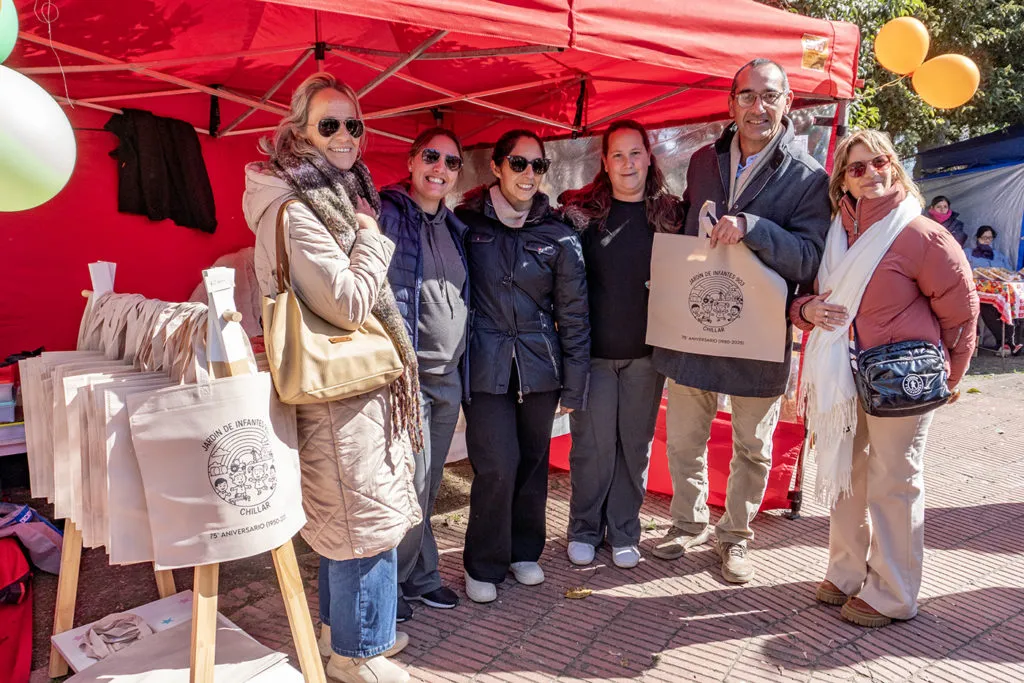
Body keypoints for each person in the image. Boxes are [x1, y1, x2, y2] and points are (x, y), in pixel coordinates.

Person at [244, 72, 421, 683]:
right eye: (330, 124)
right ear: (299, 132)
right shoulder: (297, 207)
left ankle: (338, 631)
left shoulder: (325, 194)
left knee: (346, 516)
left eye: (354, 124)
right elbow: (346, 302)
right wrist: (372, 238)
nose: (346, 135)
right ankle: (357, 654)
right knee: (361, 521)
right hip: (338, 388)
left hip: (345, 384)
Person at [650, 58, 831, 584]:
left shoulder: (808, 177)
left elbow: (809, 258)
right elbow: (692, 224)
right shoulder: (704, 161)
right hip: (696, 322)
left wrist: (753, 227)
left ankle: (735, 536)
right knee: (684, 438)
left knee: (752, 447)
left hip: (759, 334)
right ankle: (687, 523)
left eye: (770, 96)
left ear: (788, 102)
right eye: (747, 95)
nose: (758, 107)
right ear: (731, 104)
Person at [794, 129, 978, 627]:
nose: (873, 173)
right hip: (843, 375)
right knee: (847, 475)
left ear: (895, 166)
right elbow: (802, 295)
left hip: (902, 380)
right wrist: (805, 310)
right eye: (858, 167)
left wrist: (949, 377)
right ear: (843, 181)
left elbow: (961, 313)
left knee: (893, 481)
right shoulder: (832, 234)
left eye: (881, 162)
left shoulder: (920, 234)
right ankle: (847, 571)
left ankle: (894, 592)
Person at [456, 129, 590, 603]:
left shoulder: (559, 234)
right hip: (484, 365)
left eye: (538, 165)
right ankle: (483, 563)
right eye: (518, 163)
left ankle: (523, 551)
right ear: (496, 167)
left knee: (534, 462)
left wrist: (574, 383)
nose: (529, 173)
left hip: (539, 368)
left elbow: (574, 313)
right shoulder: (466, 225)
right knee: (497, 464)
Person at [558, 119, 683, 569]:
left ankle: (625, 530)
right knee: (591, 448)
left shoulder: (672, 215)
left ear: (649, 157)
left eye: (635, 153)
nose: (627, 163)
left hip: (646, 357)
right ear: (605, 162)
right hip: (593, 356)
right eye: (617, 154)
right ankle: (584, 529)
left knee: (634, 446)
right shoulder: (582, 216)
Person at [379, 128, 469, 621]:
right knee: (411, 483)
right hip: (408, 376)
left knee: (430, 483)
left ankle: (421, 576)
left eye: (451, 162)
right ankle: (389, 584)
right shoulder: (387, 213)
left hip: (447, 375)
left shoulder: (454, 227)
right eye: (432, 157)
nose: (441, 168)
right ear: (412, 161)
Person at [966, 225, 1022, 355]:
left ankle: (1005, 344)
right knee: (986, 308)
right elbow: (962, 270)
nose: (987, 240)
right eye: (984, 238)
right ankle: (1007, 343)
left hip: (999, 294)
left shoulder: (998, 255)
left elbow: (1008, 273)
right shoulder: (968, 253)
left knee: (1008, 307)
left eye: (990, 238)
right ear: (977, 238)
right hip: (978, 293)